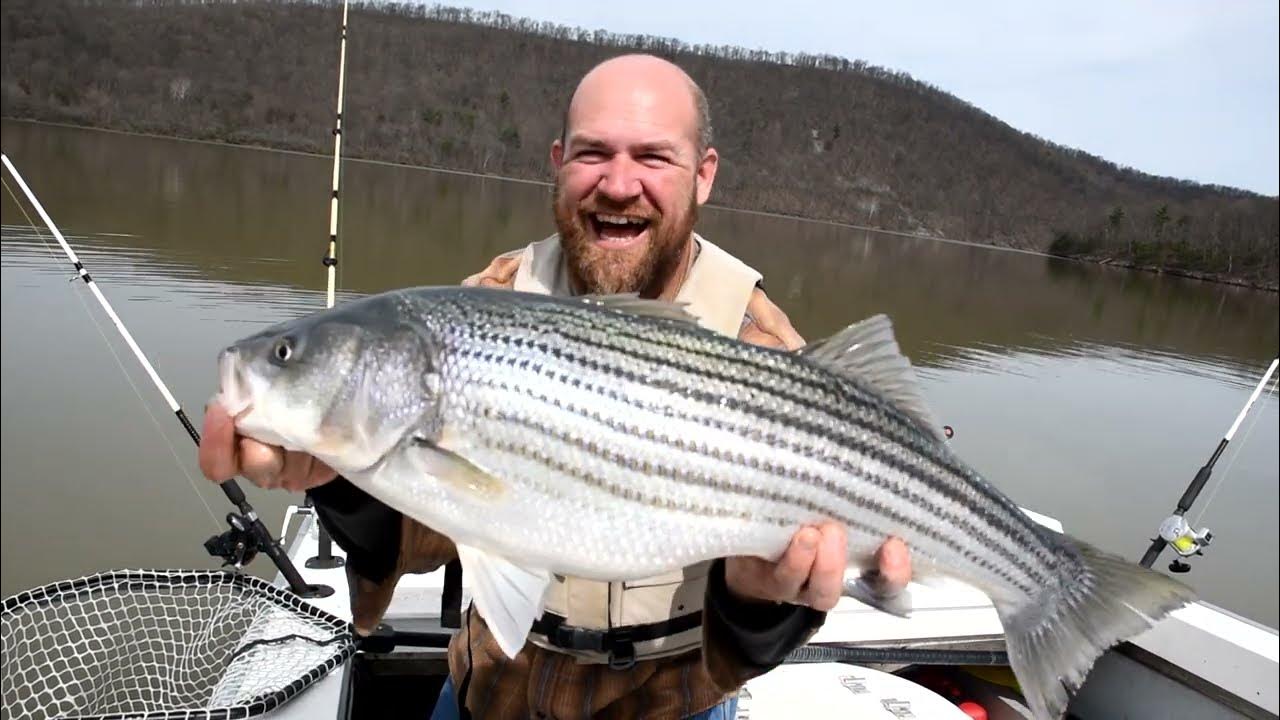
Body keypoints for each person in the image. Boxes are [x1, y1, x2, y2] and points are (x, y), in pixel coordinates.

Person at [199, 53, 911, 719]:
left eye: (654, 156)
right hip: (498, 689)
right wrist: (342, 480)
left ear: (704, 174)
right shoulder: (481, 307)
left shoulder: (770, 351)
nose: (619, 183)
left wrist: (761, 606)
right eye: (593, 152)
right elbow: (429, 533)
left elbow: (764, 634)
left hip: (675, 704)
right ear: (558, 164)